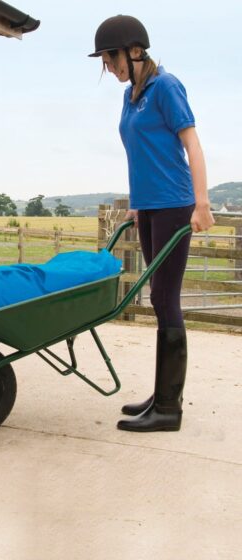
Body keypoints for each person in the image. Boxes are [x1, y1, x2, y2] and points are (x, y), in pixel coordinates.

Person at [89, 15, 215, 432]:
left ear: (133, 50)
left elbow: (191, 145)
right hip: (151, 208)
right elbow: (141, 154)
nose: (108, 67)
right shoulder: (131, 96)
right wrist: (139, 204)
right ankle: (162, 395)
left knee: (165, 298)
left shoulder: (167, 87)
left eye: (110, 58)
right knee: (158, 299)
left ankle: (169, 408)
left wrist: (202, 203)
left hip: (177, 205)